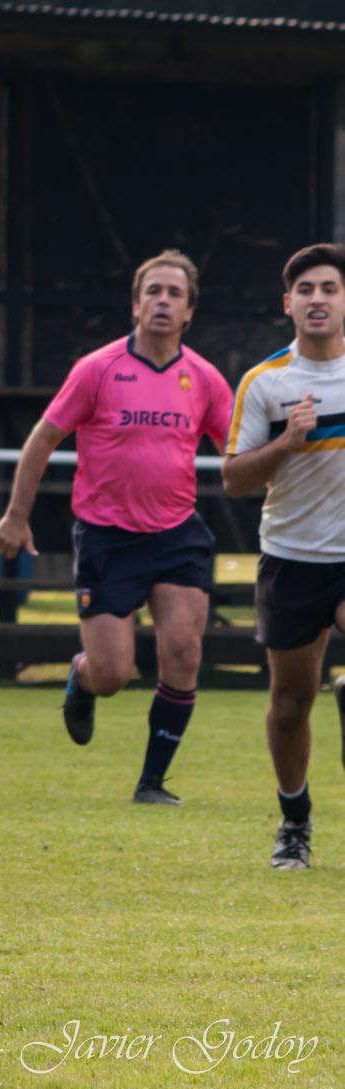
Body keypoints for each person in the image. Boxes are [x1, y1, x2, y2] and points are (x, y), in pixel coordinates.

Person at [0, 250, 233, 806]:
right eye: (154, 291)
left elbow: (238, 455)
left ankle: (152, 782)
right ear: (136, 303)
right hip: (107, 539)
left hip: (178, 535)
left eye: (175, 294)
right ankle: (82, 678)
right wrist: (16, 515)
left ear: (190, 311)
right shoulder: (97, 369)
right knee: (113, 673)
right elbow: (41, 440)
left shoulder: (206, 379)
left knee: (184, 651)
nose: (163, 302)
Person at [222, 242, 345, 870]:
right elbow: (235, 479)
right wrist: (289, 443)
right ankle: (294, 820)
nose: (317, 298)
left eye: (329, 287)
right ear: (288, 304)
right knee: (293, 703)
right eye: (306, 290)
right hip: (293, 556)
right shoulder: (265, 383)